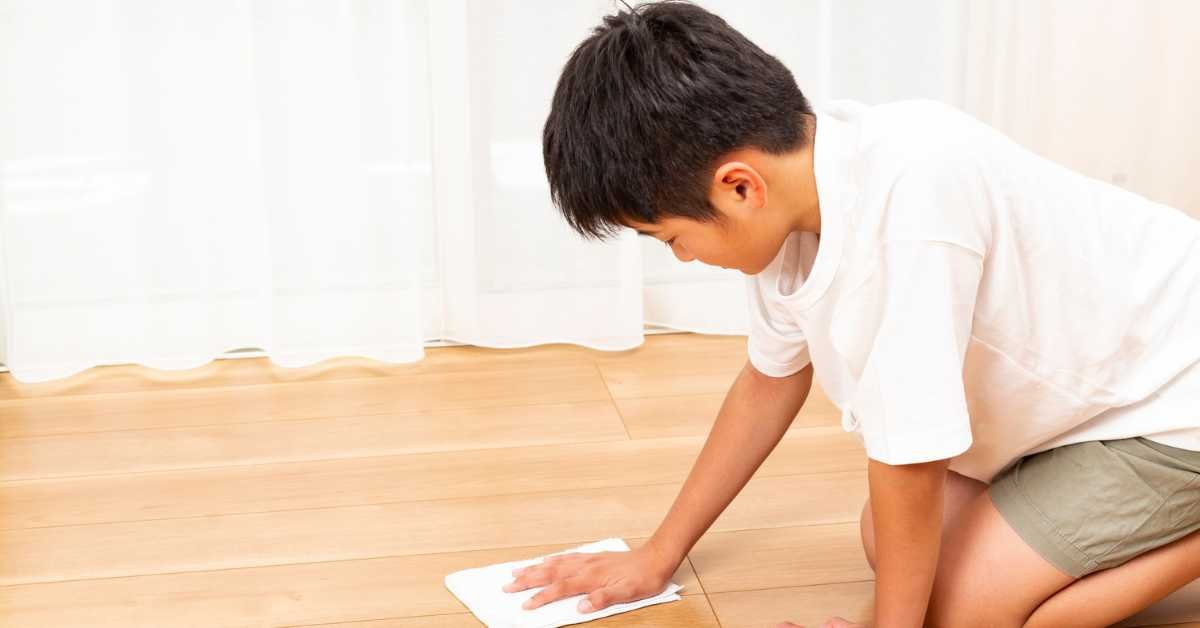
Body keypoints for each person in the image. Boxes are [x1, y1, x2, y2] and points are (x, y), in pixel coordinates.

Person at [503, 1, 1200, 626]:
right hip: (1082, 410)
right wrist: (657, 553)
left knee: (963, 613)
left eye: (671, 238)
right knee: (888, 542)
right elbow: (769, 382)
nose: (682, 258)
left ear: (738, 186)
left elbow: (913, 457)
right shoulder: (794, 196)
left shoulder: (910, 202)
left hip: (1174, 401)